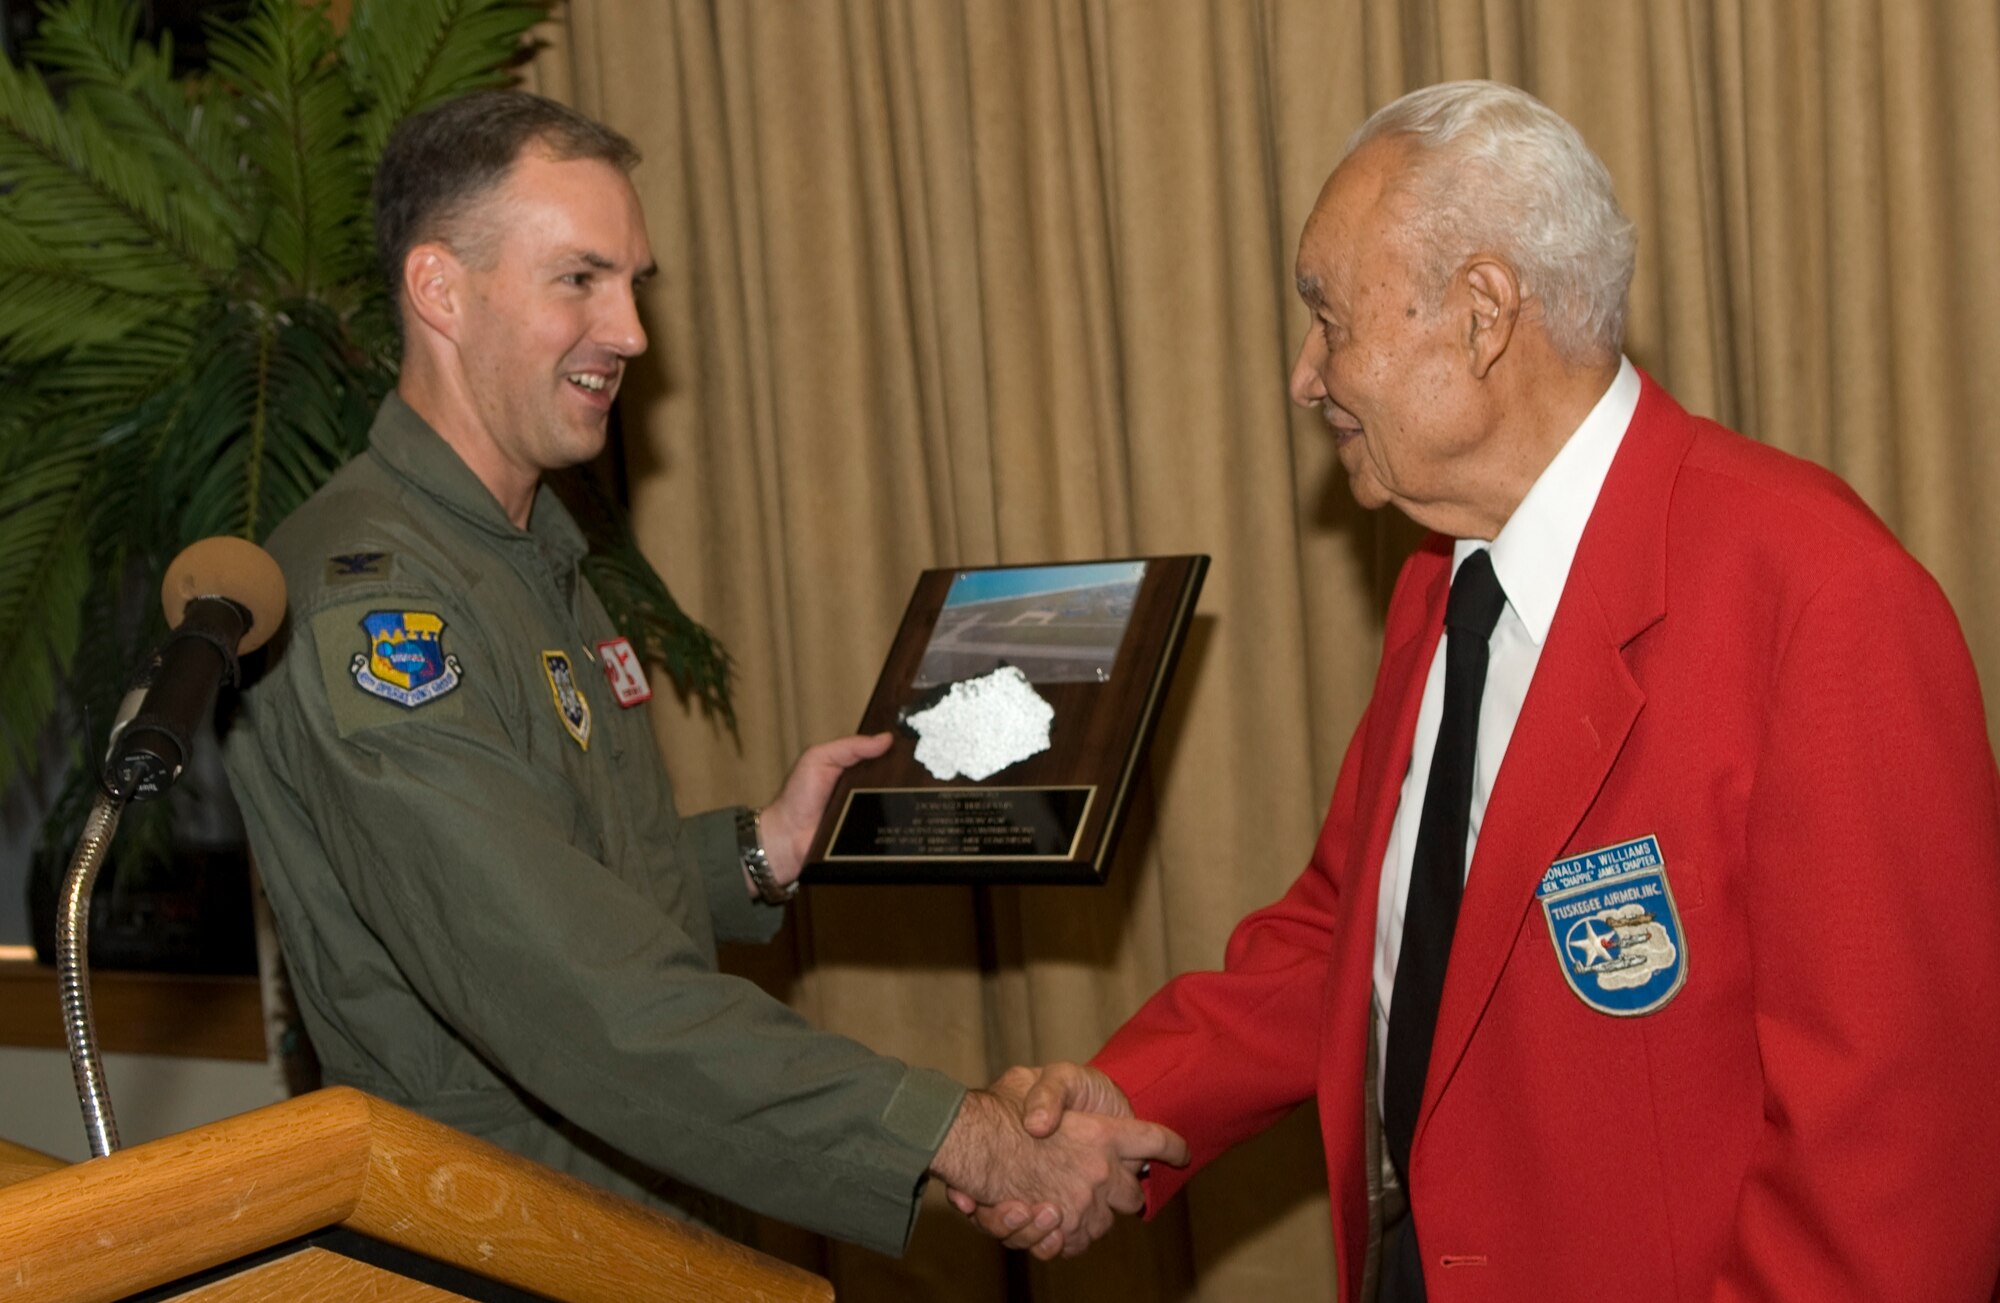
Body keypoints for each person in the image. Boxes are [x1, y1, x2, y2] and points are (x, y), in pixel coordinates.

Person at [960, 81, 2000, 1297]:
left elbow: (1891, 1174)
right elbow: (1357, 937)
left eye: (1327, 317)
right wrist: (1120, 1110)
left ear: (1482, 314)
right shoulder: (1442, 583)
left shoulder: (1821, 600)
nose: (1303, 377)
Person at [220, 89, 1184, 1260]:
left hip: (632, 1220)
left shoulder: (525, 550)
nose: (629, 330)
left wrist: (756, 850)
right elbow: (564, 984)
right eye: (579, 279)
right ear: (440, 290)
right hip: (505, 1244)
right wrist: (959, 1134)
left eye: (634, 283)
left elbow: (542, 862)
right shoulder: (373, 605)